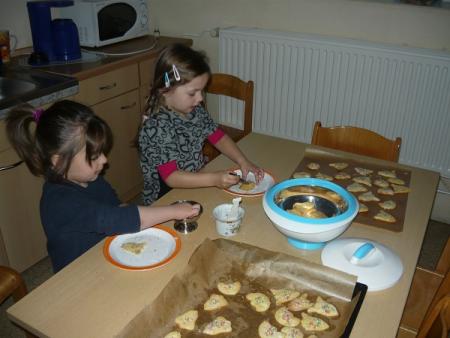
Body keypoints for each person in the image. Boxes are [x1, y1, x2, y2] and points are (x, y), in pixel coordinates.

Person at [5, 100, 199, 272]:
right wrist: (173, 211)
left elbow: (118, 208)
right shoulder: (60, 202)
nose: (105, 160)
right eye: (94, 156)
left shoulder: (91, 178)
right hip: (78, 277)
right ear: (58, 161)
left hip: (105, 256)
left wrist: (150, 218)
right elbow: (117, 218)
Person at [138, 43, 264, 205]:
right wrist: (214, 179)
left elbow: (218, 136)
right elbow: (171, 177)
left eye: (201, 91)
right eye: (192, 93)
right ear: (165, 89)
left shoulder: (194, 111)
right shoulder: (156, 126)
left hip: (197, 181)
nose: (200, 99)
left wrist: (243, 161)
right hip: (165, 198)